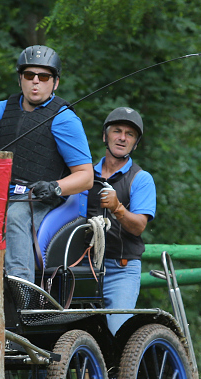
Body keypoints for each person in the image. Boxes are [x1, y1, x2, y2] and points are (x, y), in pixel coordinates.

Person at [0, 45, 93, 281]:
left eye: (44, 76)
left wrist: (55, 186)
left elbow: (86, 176)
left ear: (55, 83)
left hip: (40, 199)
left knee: (15, 217)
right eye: (29, 75)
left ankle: (22, 288)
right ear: (20, 79)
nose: (35, 82)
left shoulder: (65, 119)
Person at [86, 107, 156, 335]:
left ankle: (120, 371)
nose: (122, 138)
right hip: (83, 269)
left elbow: (139, 227)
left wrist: (117, 208)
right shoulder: (85, 175)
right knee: (81, 337)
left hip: (121, 269)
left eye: (130, 134)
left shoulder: (141, 178)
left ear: (135, 143)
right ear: (105, 135)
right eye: (117, 131)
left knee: (116, 336)